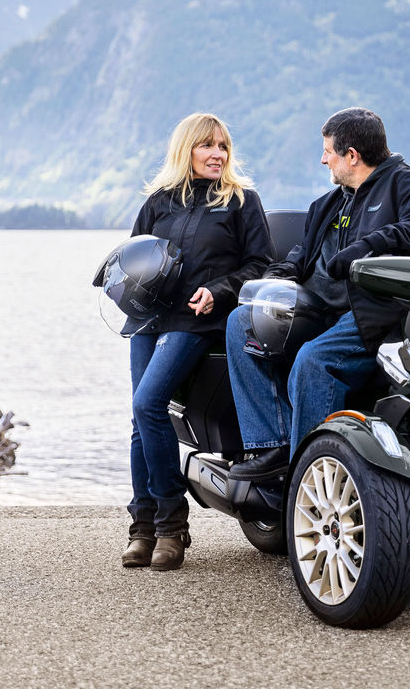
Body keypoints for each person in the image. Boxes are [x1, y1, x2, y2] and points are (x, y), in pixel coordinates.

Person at [226, 107, 410, 480]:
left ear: (352, 155)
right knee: (241, 322)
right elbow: (300, 257)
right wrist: (276, 278)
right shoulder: (327, 204)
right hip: (316, 311)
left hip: (372, 314)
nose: (323, 158)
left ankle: (307, 479)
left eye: (328, 150)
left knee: (313, 361)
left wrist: (366, 248)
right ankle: (273, 447)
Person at [120, 113, 272, 570]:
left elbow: (261, 264)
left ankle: (172, 523)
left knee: (149, 405)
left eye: (222, 147)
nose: (217, 155)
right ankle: (142, 528)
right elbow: (133, 259)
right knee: (139, 421)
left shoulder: (242, 201)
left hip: (194, 321)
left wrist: (219, 291)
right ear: (186, 150)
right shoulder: (159, 202)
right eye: (207, 146)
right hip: (148, 321)